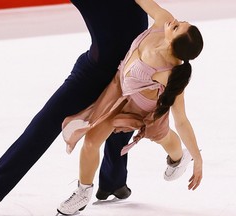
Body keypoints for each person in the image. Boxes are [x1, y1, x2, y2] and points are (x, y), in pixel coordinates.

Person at [0, 0, 149, 214]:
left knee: (121, 125)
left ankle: (113, 183)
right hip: (93, 73)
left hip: (129, 73)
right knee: (45, 123)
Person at [57, 0, 204, 215]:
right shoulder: (163, 20)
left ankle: (180, 157)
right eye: (180, 22)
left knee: (161, 135)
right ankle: (82, 193)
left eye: (177, 27)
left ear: (174, 44)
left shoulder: (170, 74)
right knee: (90, 141)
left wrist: (198, 158)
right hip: (119, 95)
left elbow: (181, 120)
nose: (174, 21)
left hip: (144, 109)